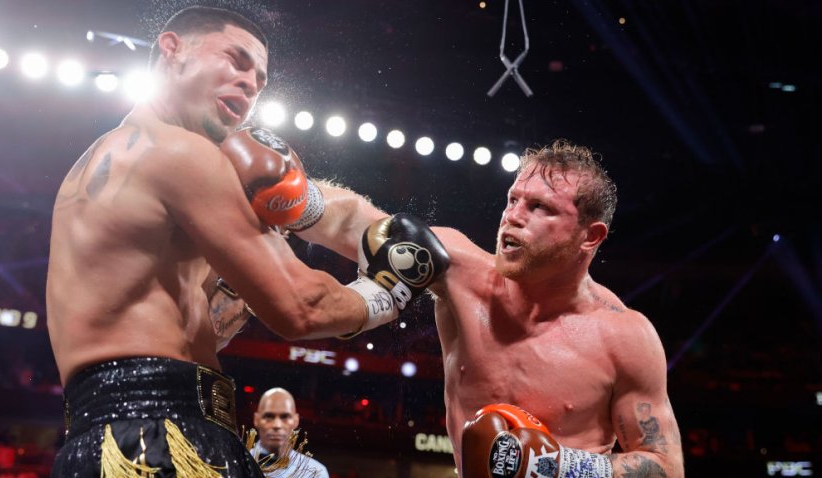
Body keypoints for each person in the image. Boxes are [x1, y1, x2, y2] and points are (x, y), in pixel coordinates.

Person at [45, 6, 447, 477]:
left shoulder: (108, 160)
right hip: (159, 435)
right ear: (171, 51)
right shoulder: (180, 152)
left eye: (260, 78)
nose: (251, 83)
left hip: (110, 434)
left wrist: (256, 259)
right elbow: (301, 307)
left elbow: (204, 325)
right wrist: (387, 292)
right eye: (236, 60)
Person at [297, 140, 684, 477]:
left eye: (539, 207)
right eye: (513, 199)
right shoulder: (458, 270)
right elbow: (355, 224)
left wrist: (559, 466)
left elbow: (665, 467)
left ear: (590, 236)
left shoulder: (625, 337)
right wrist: (292, 194)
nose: (513, 216)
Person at [250, 388, 329, 478]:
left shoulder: (316, 472)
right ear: (256, 419)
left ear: (296, 420)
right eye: (269, 416)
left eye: (285, 417)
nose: (277, 425)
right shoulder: (236, 464)